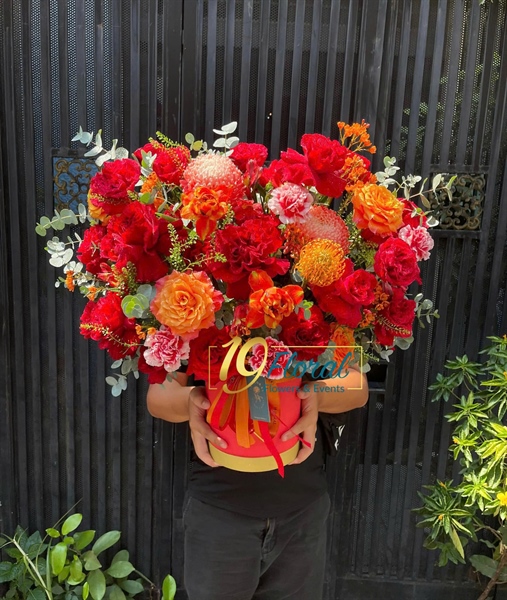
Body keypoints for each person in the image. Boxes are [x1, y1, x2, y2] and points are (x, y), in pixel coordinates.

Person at [147, 367, 368, 600]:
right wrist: (195, 402)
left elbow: (358, 386)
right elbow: (159, 396)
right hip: (219, 513)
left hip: (301, 513)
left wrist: (315, 395)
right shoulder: (187, 338)